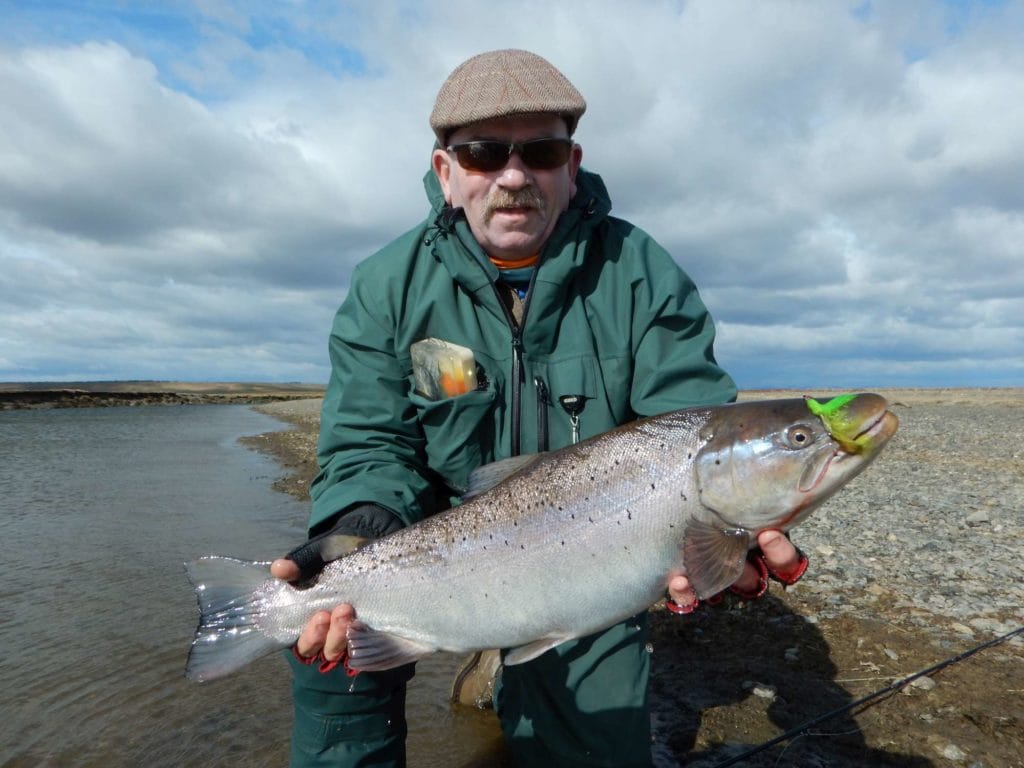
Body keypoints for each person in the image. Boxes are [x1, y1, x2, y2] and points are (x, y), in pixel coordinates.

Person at [270, 49, 807, 768]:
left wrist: (729, 533)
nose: (515, 176)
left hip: (586, 538)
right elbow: (369, 443)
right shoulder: (385, 287)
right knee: (331, 664)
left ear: (572, 163)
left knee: (592, 737)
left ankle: (504, 666)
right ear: (446, 173)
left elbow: (692, 427)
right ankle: (482, 661)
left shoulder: (642, 274)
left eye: (542, 151)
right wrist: (358, 526)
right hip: (428, 529)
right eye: (485, 153)